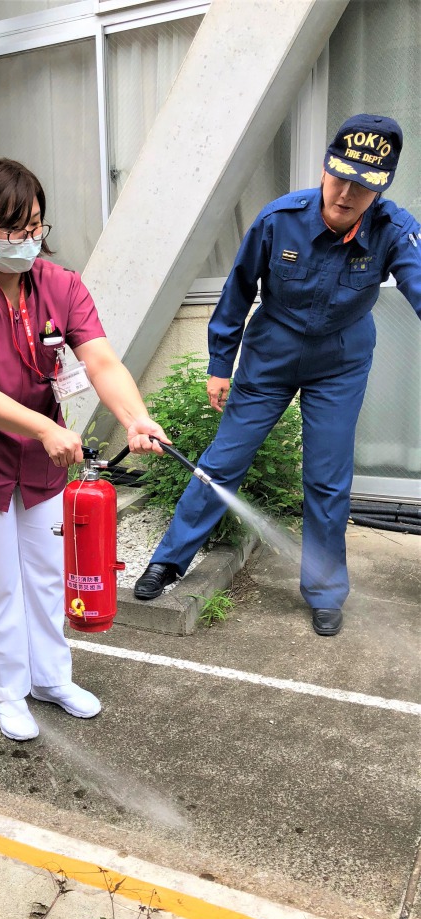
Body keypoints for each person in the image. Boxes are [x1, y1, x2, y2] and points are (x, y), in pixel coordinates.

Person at [134, 114, 421, 636]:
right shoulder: (278, 219)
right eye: (341, 177)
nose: (347, 193)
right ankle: (169, 561)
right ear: (325, 168)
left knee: (327, 478)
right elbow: (238, 290)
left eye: (364, 186)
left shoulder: (396, 231)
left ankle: (325, 590)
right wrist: (221, 364)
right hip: (272, 353)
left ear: (381, 189)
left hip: (341, 359)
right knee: (224, 460)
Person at [0, 158, 168, 742]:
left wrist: (136, 417)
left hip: (40, 463)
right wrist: (47, 429)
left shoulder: (61, 285)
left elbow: (100, 359)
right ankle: (7, 689)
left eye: (35, 227)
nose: (27, 241)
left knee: (49, 573)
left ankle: (52, 677)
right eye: (11, 229)